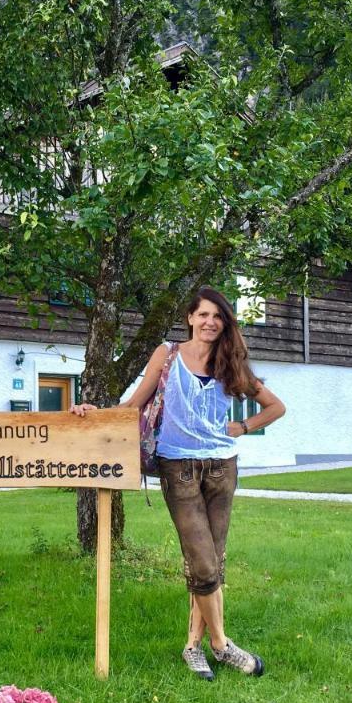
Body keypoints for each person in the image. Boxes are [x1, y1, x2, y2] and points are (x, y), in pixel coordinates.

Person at [71, 286, 286, 679]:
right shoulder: (167, 355)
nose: (210, 322)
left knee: (213, 562)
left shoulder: (230, 361)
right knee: (202, 561)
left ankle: (193, 647)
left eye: (217, 317)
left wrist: (242, 427)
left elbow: (276, 406)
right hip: (178, 467)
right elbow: (133, 404)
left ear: (225, 323)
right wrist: (93, 413)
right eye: (203, 315)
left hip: (222, 467)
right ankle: (222, 645)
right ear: (190, 318)